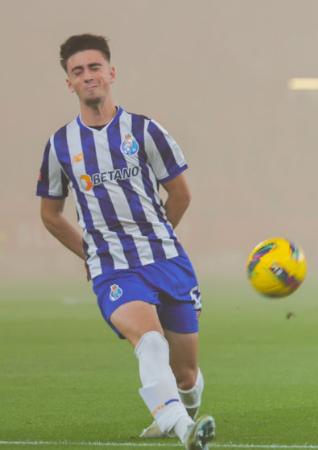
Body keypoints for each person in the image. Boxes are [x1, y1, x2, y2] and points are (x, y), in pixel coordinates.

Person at [36, 34, 215, 449]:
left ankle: (180, 410)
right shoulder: (60, 145)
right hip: (112, 267)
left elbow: (181, 194)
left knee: (186, 373)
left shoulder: (145, 130)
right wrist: (91, 252)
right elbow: (50, 214)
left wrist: (157, 237)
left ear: (111, 73)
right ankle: (182, 427)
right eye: (78, 71)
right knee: (149, 340)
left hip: (167, 260)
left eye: (95, 67)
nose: (88, 77)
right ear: (69, 83)